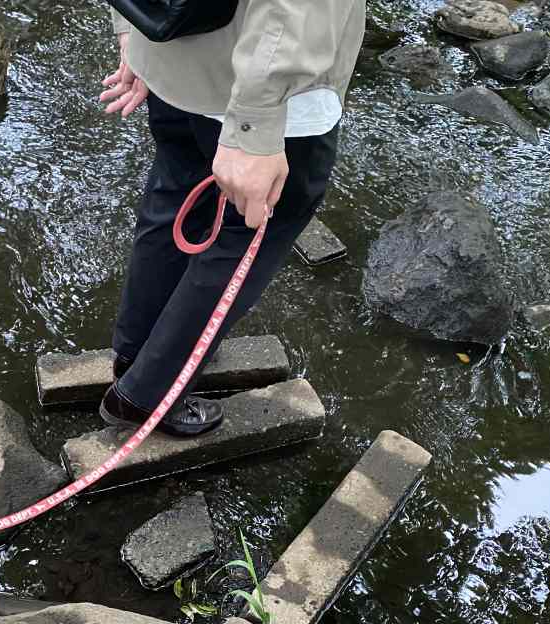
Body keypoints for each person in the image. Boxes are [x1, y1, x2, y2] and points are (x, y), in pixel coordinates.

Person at [99, 0, 365, 437]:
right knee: (253, 231)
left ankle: (136, 356)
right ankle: (147, 394)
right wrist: (254, 125)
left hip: (170, 47)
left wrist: (132, 26)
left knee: (174, 198)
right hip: (267, 93)